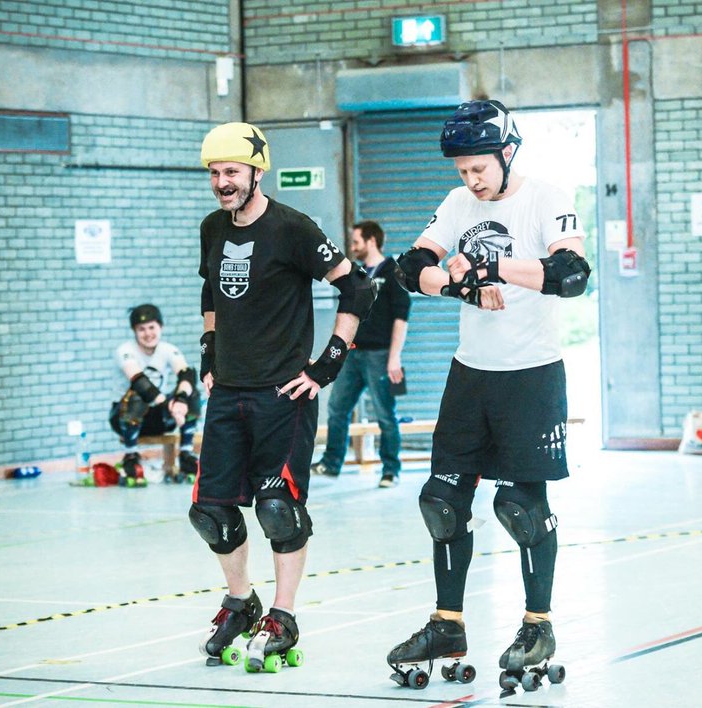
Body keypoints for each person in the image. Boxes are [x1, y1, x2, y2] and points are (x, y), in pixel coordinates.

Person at [384, 100, 590, 694]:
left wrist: (495, 266)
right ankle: (448, 626)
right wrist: (461, 283)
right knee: (441, 501)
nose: (470, 180)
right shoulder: (457, 204)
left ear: (506, 154)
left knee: (521, 508)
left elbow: (572, 275)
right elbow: (411, 267)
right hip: (470, 374)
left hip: (531, 375)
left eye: (479, 168)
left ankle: (537, 625)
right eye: (462, 170)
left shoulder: (547, 197)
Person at [187, 122, 375, 671]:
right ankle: (241, 601)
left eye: (232, 173)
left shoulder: (293, 228)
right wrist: (208, 353)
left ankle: (284, 615)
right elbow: (211, 290)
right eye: (215, 174)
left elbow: (356, 286)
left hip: (281, 395)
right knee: (211, 512)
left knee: (278, 509)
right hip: (228, 392)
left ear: (256, 172)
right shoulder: (212, 228)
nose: (222, 183)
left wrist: (327, 365)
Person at [310, 220, 410, 488]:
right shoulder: (357, 273)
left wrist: (394, 357)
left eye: (356, 242)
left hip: (380, 355)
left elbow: (402, 318)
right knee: (337, 408)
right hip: (352, 355)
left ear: (371, 241)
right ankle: (331, 463)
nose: (352, 247)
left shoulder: (393, 272)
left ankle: (391, 469)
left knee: (385, 414)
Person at [109, 303, 200, 486]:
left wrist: (181, 400)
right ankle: (131, 455)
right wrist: (170, 405)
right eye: (141, 329)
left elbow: (187, 374)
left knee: (191, 392)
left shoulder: (167, 349)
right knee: (138, 394)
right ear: (134, 331)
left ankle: (186, 453)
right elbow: (139, 381)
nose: (148, 333)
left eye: (152, 327)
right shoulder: (125, 351)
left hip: (158, 417)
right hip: (123, 417)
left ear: (161, 327)